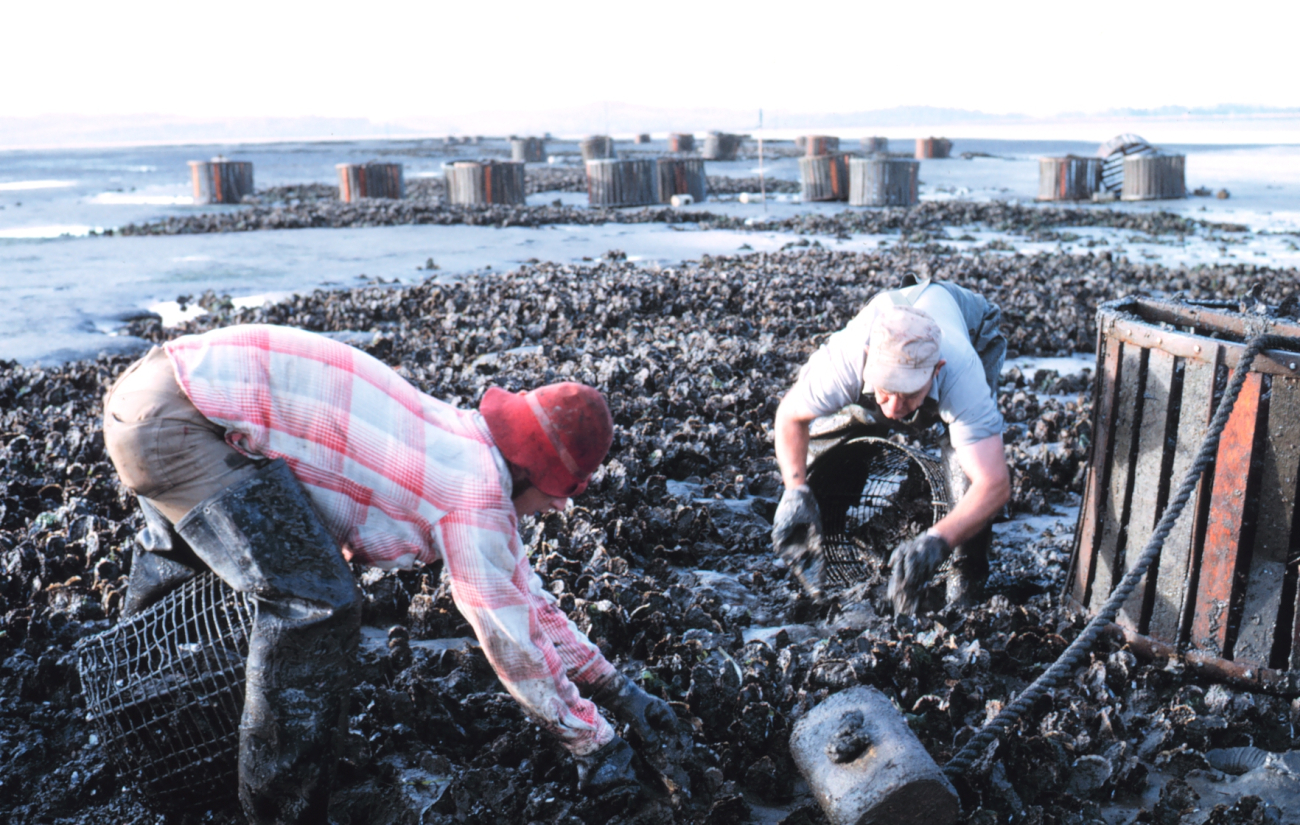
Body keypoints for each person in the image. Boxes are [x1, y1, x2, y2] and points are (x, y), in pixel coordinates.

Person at [102, 324, 674, 825]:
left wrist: (615, 689)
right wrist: (593, 746)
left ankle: (131, 712)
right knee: (317, 605)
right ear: (532, 472)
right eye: (559, 493)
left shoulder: (463, 439)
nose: (558, 508)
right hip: (181, 423)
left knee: (190, 577)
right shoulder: (473, 496)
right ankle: (280, 813)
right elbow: (510, 639)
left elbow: (523, 594)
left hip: (160, 385)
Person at [771, 279, 1010, 614]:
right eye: (886, 390)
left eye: (909, 393)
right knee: (835, 429)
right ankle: (818, 547)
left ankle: (965, 584)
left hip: (972, 328)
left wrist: (936, 540)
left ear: (936, 371)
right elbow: (790, 417)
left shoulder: (959, 371)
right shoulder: (846, 359)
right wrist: (795, 490)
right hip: (886, 332)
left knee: (965, 468)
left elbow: (995, 484)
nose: (896, 410)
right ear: (869, 362)